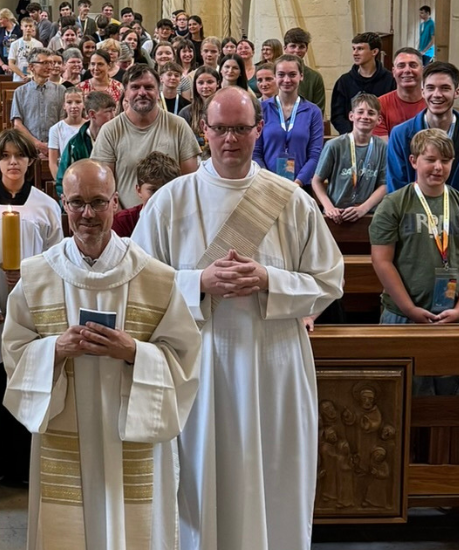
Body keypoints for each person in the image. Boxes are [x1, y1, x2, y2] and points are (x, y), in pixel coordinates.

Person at [131, 86, 345, 550]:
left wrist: (269, 279)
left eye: (241, 129)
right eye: (221, 129)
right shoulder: (170, 201)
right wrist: (198, 284)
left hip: (275, 363)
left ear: (258, 130)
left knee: (273, 471)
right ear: (203, 131)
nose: (231, 139)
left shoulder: (290, 199)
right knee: (203, 476)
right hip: (199, 364)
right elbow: (140, 291)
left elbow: (329, 281)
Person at [3, 158, 201, 549]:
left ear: (115, 202)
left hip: (131, 429)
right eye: (77, 203)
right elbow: (13, 350)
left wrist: (134, 353)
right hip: (65, 428)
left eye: (97, 202)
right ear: (63, 203)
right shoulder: (38, 274)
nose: (87, 214)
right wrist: (55, 350)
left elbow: (185, 358)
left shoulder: (156, 277)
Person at [0, 129, 63, 483]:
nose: (13, 162)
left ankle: (22, 465)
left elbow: (55, 260)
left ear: (31, 162)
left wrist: (29, 287)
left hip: (29, 312)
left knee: (25, 385)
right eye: (6, 156)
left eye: (20, 156)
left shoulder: (46, 206)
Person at [371, 129, 459, 401]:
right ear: (414, 161)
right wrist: (409, 308)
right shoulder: (394, 204)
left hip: (456, 317)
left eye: (446, 160)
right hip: (402, 315)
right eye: (430, 159)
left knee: (453, 403)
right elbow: (382, 260)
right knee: (400, 402)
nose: (438, 167)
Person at [93, 64, 200, 209]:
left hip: (172, 217)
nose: (142, 92)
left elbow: (190, 182)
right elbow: (104, 188)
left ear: (158, 91)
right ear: (125, 92)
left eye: (149, 87)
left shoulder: (178, 126)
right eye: (135, 87)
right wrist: (123, 221)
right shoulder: (110, 131)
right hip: (127, 223)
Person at [387, 61, 459, 192]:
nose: (437, 94)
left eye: (445, 88)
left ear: (456, 92)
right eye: (430, 88)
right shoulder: (400, 134)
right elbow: (397, 190)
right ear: (422, 92)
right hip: (413, 211)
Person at [313, 93, 388, 223]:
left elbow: (384, 184)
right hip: (337, 214)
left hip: (367, 213)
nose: (365, 117)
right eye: (360, 112)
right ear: (351, 116)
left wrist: (364, 208)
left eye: (371, 113)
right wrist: (329, 207)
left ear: (379, 119)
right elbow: (317, 181)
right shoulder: (334, 145)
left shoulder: (382, 147)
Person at [253, 54, 324, 188]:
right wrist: (268, 180)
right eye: (281, 74)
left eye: (292, 74)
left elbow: (315, 155)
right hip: (267, 185)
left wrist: (298, 183)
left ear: (301, 76)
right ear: (275, 76)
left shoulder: (313, 112)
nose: (286, 80)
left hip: (301, 186)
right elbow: (255, 152)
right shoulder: (261, 109)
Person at [330, 32, 396, 135]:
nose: (355, 53)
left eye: (360, 49)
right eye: (353, 48)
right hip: (352, 138)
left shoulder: (390, 80)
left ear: (374, 51)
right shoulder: (344, 81)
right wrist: (353, 134)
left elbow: (392, 114)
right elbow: (337, 116)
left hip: (381, 139)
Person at [11, 48, 67, 158]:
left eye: (51, 63)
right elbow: (17, 124)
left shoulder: (61, 90)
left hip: (55, 146)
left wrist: (51, 146)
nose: (50, 66)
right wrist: (38, 145)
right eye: (45, 63)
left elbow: (62, 121)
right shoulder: (20, 92)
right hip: (28, 147)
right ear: (31, 67)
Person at [112, 151, 177, 237]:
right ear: (139, 190)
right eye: (153, 190)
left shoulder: (186, 220)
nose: (160, 196)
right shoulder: (122, 222)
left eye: (166, 190)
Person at [58, 90, 116, 183]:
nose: (113, 116)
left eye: (114, 110)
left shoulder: (118, 138)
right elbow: (63, 179)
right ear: (92, 114)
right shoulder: (76, 143)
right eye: (108, 112)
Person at [375, 48, 426, 139]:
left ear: (422, 70)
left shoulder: (433, 103)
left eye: (413, 65)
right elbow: (384, 149)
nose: (407, 70)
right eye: (401, 66)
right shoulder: (379, 105)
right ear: (394, 72)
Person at [48, 87, 87, 186]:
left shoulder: (90, 126)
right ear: (64, 106)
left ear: (84, 105)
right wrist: (62, 184)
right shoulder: (56, 129)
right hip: (66, 174)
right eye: (69, 102)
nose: (74, 106)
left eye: (78, 102)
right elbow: (52, 163)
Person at [282, 28, 326, 115]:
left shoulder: (315, 77)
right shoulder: (274, 74)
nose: (297, 50)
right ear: (285, 48)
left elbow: (318, 111)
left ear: (306, 49)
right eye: (293, 46)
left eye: (301, 46)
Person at [6, 17, 43, 82]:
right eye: (26, 26)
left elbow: (41, 63)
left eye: (30, 26)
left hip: (34, 79)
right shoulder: (15, 44)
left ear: (33, 28)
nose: (28, 28)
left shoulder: (39, 44)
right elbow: (11, 63)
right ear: (21, 27)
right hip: (18, 79)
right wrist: (22, 75)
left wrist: (32, 76)